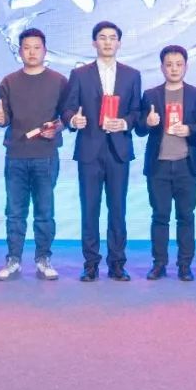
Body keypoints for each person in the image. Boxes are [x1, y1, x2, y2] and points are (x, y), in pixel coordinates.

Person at [61, 21, 142, 282]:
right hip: (89, 150)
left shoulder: (132, 75)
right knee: (90, 209)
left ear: (119, 43)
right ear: (94, 42)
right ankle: (91, 264)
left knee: (118, 209)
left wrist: (125, 123)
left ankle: (117, 263)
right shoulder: (80, 74)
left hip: (119, 150)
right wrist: (74, 120)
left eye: (112, 38)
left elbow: (136, 111)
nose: (108, 42)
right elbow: (67, 109)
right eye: (103, 37)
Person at [0, 28, 68, 281]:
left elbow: (66, 116)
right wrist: (0, 119)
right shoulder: (9, 82)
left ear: (45, 50)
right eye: (26, 47)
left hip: (46, 155)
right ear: (20, 51)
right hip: (16, 155)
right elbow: (5, 117)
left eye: (37, 47)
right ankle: (13, 260)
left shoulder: (59, 81)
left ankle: (43, 258)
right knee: (14, 212)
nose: (32, 52)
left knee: (44, 212)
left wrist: (58, 127)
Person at [135, 45, 196, 282]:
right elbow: (139, 130)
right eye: (169, 65)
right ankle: (159, 264)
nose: (174, 69)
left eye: (179, 64)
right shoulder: (151, 95)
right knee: (160, 216)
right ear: (162, 68)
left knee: (186, 216)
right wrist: (148, 122)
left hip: (187, 164)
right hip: (159, 166)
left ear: (186, 66)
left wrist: (190, 129)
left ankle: (185, 265)